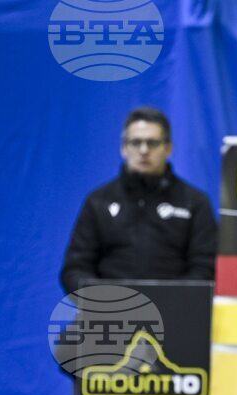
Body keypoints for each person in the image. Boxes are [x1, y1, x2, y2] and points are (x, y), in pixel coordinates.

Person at [60, 107, 217, 294]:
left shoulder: (194, 202)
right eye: (136, 142)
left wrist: (171, 301)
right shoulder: (98, 201)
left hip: (175, 313)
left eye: (152, 143)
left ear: (168, 148)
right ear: (123, 148)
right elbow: (75, 268)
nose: (143, 150)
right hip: (109, 314)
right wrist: (103, 299)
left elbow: (206, 268)